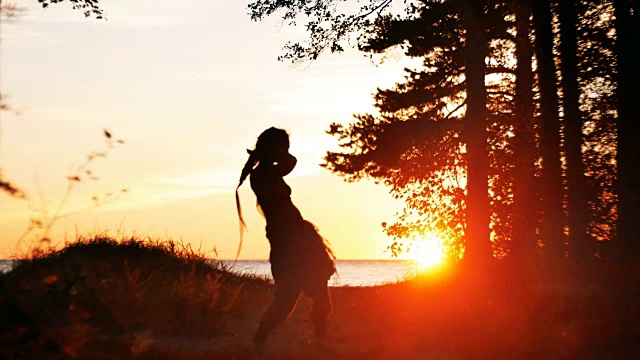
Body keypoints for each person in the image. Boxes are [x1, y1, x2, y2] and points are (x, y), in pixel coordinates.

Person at [235, 127, 336, 345]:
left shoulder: (267, 171)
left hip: (298, 236)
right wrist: (273, 152)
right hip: (288, 241)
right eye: (284, 148)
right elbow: (290, 162)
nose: (286, 152)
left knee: (318, 286)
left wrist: (270, 152)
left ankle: (320, 340)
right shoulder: (262, 174)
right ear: (275, 149)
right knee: (287, 295)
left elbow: (288, 162)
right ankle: (260, 338)